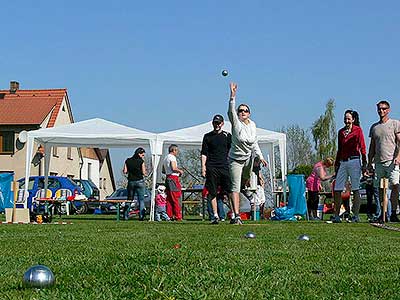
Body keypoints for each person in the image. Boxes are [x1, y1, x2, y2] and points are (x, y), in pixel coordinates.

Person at [228, 82, 267, 224]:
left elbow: (254, 142)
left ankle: (245, 189)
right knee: (235, 187)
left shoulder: (253, 125)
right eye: (240, 110)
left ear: (249, 113)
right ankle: (236, 215)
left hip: (248, 159)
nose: (243, 112)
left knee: (244, 183)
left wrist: (260, 157)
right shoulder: (236, 123)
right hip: (235, 160)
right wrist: (232, 97)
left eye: (245, 110)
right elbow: (230, 111)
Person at [367, 100, 400, 222]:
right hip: (379, 162)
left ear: (388, 110)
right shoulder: (374, 127)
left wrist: (398, 157)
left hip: (392, 161)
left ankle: (393, 213)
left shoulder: (395, 124)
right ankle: (383, 213)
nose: (381, 111)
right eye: (379, 109)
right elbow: (372, 146)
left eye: (384, 108)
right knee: (380, 188)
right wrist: (369, 162)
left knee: (395, 186)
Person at [333, 110, 367, 223]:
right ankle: (337, 216)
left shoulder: (358, 130)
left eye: (348, 118)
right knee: (337, 188)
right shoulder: (341, 132)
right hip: (343, 161)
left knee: (356, 188)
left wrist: (364, 162)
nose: (346, 121)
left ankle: (356, 215)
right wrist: (336, 163)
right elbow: (340, 149)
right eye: (345, 118)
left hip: (354, 161)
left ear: (353, 119)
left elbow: (362, 146)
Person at [201, 114, 232, 224]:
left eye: (219, 123)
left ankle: (233, 215)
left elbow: (232, 151)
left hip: (224, 166)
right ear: (212, 123)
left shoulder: (227, 136)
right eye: (215, 123)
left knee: (229, 191)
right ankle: (215, 216)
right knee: (212, 192)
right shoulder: (207, 137)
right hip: (211, 167)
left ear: (222, 124)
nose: (217, 125)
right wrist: (203, 167)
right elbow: (204, 153)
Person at [123, 147, 147, 221]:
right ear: (139, 154)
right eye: (142, 155)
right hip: (139, 181)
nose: (143, 156)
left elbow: (125, 171)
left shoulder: (128, 160)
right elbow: (143, 172)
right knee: (141, 200)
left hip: (131, 182)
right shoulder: (141, 162)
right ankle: (141, 216)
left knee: (129, 199)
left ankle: (126, 216)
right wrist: (146, 174)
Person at [162, 144, 184, 221]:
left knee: (169, 198)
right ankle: (178, 216)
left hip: (167, 178)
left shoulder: (165, 158)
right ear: (174, 150)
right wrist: (180, 171)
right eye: (177, 150)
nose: (177, 152)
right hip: (173, 179)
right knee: (176, 197)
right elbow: (174, 168)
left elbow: (163, 170)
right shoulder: (172, 157)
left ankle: (169, 215)